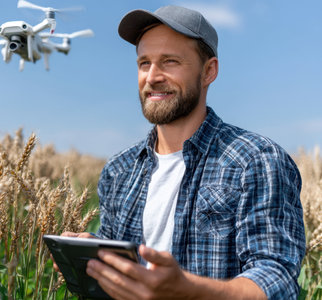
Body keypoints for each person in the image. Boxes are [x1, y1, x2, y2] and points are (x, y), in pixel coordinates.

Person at [62, 5, 305, 300]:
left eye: (170, 61)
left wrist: (188, 291)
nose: (152, 77)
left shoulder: (257, 161)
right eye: (144, 63)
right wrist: (97, 256)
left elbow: (277, 279)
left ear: (209, 71)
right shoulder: (119, 170)